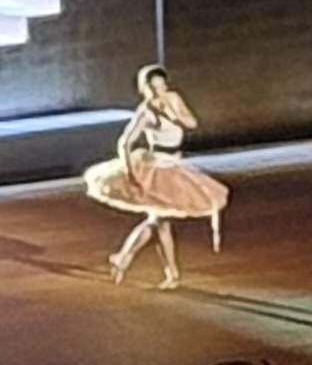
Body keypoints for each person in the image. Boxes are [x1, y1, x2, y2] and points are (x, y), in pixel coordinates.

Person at [86, 65, 229, 287]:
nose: (158, 91)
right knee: (159, 219)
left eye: (161, 86)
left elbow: (192, 123)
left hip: (174, 165)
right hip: (157, 169)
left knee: (162, 222)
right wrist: (131, 173)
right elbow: (124, 142)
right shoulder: (145, 112)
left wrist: (173, 113)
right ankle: (128, 257)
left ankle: (166, 273)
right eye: (153, 88)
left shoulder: (173, 98)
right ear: (145, 89)